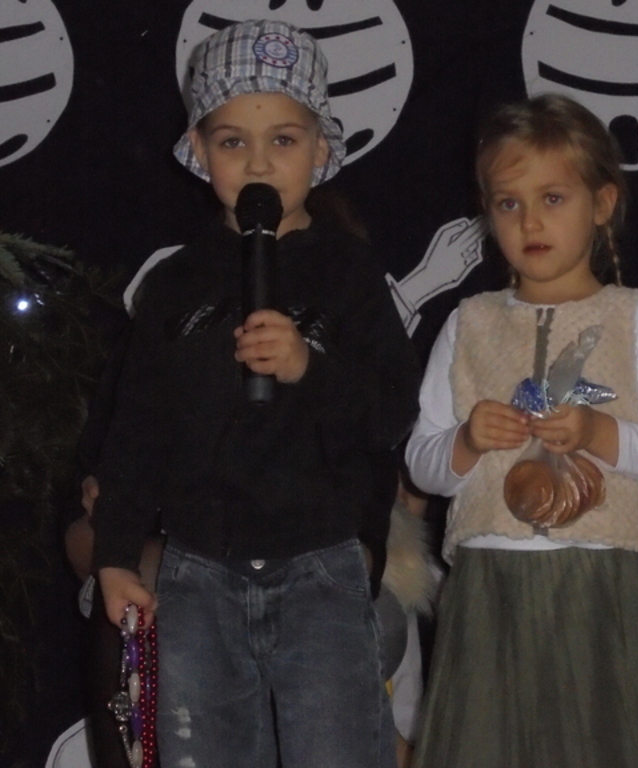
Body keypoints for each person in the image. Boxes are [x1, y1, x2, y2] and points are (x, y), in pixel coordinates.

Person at [89, 19, 421, 768]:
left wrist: (309, 369)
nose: (259, 162)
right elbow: (135, 430)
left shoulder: (349, 273)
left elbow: (391, 411)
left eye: (284, 140)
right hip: (199, 570)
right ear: (198, 151)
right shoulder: (175, 283)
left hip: (320, 563)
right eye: (233, 141)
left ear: (321, 150)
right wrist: (115, 556)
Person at [405, 93, 638, 767]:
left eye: (552, 198)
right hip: (491, 589)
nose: (529, 221)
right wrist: (465, 442)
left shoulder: (636, 318)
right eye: (508, 203)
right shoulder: (468, 322)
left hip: (603, 590)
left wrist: (601, 433)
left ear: (601, 203)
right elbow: (422, 464)